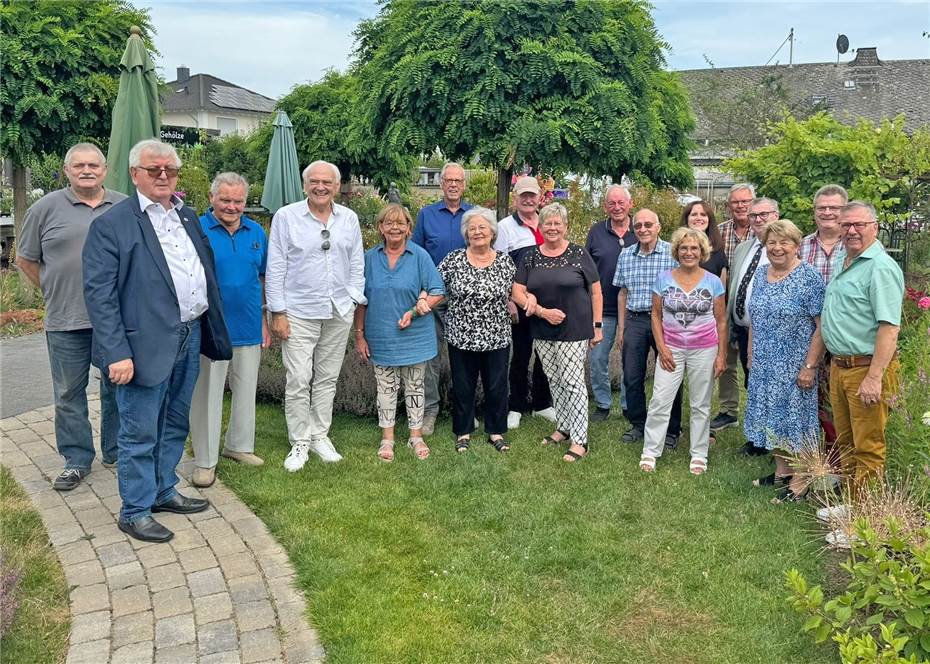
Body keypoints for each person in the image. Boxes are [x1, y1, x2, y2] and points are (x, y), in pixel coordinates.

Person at [83, 139, 232, 543]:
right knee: (139, 430)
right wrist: (116, 352)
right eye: (154, 170)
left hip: (188, 332)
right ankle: (134, 510)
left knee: (173, 422)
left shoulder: (186, 216)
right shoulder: (112, 225)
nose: (164, 175)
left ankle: (163, 489)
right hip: (140, 345)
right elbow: (100, 296)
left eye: (170, 169)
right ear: (135, 174)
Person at [16, 142, 123, 491]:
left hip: (115, 321)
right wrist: (52, 290)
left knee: (117, 388)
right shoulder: (45, 208)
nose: (87, 170)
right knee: (67, 393)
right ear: (67, 171)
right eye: (79, 166)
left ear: (104, 170)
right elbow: (26, 259)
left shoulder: (123, 206)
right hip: (66, 320)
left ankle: (117, 451)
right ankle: (77, 459)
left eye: (93, 165)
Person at [266, 160, 366, 470]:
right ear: (305, 185)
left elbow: (357, 263)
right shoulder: (287, 217)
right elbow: (276, 266)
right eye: (314, 181)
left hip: (337, 310)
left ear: (336, 187)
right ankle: (300, 441)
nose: (320, 187)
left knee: (327, 378)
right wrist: (277, 311)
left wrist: (351, 300)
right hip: (298, 310)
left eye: (327, 182)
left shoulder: (348, 218)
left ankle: (320, 434)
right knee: (298, 378)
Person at [188, 173, 270, 488]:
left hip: (249, 323)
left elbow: (262, 277)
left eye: (238, 201)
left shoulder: (257, 232)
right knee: (207, 394)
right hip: (211, 327)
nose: (232, 207)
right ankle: (205, 461)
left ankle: (238, 445)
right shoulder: (197, 229)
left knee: (246, 389)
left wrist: (264, 318)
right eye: (225, 200)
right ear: (212, 199)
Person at [821, 201, 903, 493]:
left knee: (867, 446)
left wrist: (874, 377)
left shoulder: (880, 268)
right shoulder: (847, 260)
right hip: (841, 366)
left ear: (875, 228)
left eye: (859, 225)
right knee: (845, 440)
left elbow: (889, 326)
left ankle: (864, 520)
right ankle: (851, 504)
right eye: (846, 225)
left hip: (865, 368)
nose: (852, 231)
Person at [511, 203, 602, 462]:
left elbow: (596, 291)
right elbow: (517, 291)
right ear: (540, 228)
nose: (552, 228)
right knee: (554, 379)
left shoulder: (578, 253)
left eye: (557, 223)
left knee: (573, 382)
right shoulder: (530, 256)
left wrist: (597, 326)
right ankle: (563, 427)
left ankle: (580, 439)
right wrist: (539, 310)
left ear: (565, 227)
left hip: (574, 328)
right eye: (547, 223)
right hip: (541, 328)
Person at [743, 220, 826, 501]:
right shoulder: (762, 273)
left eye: (784, 242)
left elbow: (821, 326)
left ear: (796, 245)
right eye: (772, 243)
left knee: (797, 422)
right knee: (771, 418)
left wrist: (809, 366)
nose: (777, 248)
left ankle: (801, 481)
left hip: (795, 365)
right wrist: (751, 354)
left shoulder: (809, 277)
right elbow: (756, 317)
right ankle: (782, 472)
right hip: (765, 363)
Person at [354, 204, 444, 461]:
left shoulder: (420, 256)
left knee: (415, 388)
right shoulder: (369, 258)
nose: (395, 227)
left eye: (400, 223)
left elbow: (437, 290)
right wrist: (359, 335)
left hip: (416, 336)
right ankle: (387, 438)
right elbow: (361, 300)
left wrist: (415, 311)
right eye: (388, 222)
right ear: (380, 227)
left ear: (408, 228)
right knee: (386, 388)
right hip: (380, 335)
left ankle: (416, 436)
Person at [638, 228, 727, 475]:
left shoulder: (713, 282)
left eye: (694, 248)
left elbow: (721, 320)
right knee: (660, 401)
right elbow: (655, 315)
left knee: (700, 403)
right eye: (684, 248)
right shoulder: (663, 279)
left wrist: (721, 355)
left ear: (702, 251)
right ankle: (650, 451)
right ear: (677, 251)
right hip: (672, 350)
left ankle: (699, 453)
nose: (689, 252)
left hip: (704, 350)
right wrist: (662, 348)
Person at [438, 207, 515, 453]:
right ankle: (463, 431)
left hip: (497, 335)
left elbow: (517, 291)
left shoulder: (505, 261)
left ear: (492, 231)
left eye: (482, 227)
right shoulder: (453, 260)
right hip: (461, 335)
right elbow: (435, 287)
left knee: (497, 386)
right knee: (463, 386)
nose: (478, 232)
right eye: (472, 228)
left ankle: (496, 431)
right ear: (466, 234)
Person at [411, 162, 473, 435]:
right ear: (441, 184)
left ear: (464, 184)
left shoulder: (474, 215)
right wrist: (421, 291)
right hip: (433, 298)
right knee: (431, 357)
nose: (453, 185)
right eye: (448, 180)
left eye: (458, 180)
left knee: (467, 357)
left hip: (466, 298)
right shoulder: (426, 215)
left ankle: (466, 410)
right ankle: (430, 411)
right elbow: (415, 254)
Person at [612, 209, 681, 446]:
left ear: (658, 227)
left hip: (666, 322)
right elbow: (622, 292)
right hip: (635, 320)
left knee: (670, 374)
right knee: (632, 376)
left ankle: (671, 430)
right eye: (638, 225)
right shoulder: (626, 255)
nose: (643, 229)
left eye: (648, 224)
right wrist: (622, 328)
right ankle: (638, 424)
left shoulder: (672, 254)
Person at [495, 176, 555, 429]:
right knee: (521, 355)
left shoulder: (549, 222)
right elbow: (500, 266)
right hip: (520, 303)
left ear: (540, 197)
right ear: (515, 198)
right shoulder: (505, 227)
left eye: (532, 195)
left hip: (549, 302)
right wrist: (509, 299)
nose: (529, 199)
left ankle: (542, 404)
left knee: (546, 355)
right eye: (523, 195)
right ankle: (516, 406)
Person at [726, 197, 779, 455]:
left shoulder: (783, 248)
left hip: (771, 332)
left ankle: (771, 440)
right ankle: (757, 438)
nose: (758, 219)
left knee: (769, 385)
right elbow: (736, 285)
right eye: (754, 215)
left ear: (776, 216)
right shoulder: (743, 248)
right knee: (753, 385)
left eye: (764, 214)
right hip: (742, 328)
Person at [799, 184, 848, 453]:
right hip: (806, 337)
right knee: (806, 398)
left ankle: (837, 457)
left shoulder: (854, 246)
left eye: (834, 208)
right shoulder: (801, 247)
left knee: (838, 401)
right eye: (822, 208)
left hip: (844, 338)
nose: (828, 212)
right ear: (815, 211)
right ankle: (804, 459)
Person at [585, 185, 638, 422]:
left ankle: (629, 405)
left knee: (630, 358)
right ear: (605, 206)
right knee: (597, 359)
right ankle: (603, 404)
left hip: (634, 308)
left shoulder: (641, 230)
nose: (617, 207)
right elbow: (587, 269)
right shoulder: (596, 232)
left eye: (621, 202)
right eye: (612, 203)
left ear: (630, 204)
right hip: (602, 308)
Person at [710, 183, 755, 433]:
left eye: (745, 201)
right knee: (725, 361)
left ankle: (756, 415)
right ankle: (729, 410)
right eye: (735, 202)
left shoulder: (762, 232)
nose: (740, 206)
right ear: (729, 206)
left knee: (752, 363)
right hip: (724, 307)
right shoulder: (720, 232)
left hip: (752, 310)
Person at [680, 200, 728, 283]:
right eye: (694, 214)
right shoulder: (676, 248)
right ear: (687, 219)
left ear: (709, 220)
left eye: (703, 215)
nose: (698, 218)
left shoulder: (718, 251)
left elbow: (722, 289)